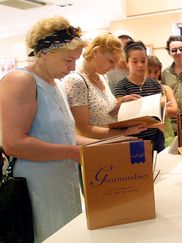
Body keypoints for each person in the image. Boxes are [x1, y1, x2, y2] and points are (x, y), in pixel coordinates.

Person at [0, 16, 96, 242]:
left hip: (63, 177)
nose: (72, 68)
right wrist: (73, 153)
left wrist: (107, 146)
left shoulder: (57, 84)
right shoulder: (20, 80)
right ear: (43, 53)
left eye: (75, 61)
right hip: (37, 184)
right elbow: (13, 143)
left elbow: (64, 136)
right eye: (67, 60)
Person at [63, 33, 145, 139]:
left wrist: (123, 101)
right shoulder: (76, 81)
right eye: (111, 61)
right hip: (95, 147)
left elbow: (105, 111)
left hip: (110, 142)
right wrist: (124, 132)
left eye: (115, 63)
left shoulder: (102, 77)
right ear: (95, 52)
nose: (113, 67)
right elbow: (84, 130)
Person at [113, 41, 165, 152]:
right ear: (127, 63)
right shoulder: (121, 86)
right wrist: (154, 124)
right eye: (135, 61)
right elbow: (123, 118)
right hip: (133, 139)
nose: (140, 65)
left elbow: (160, 113)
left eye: (143, 61)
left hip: (157, 138)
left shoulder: (155, 84)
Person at [147, 55, 179, 146]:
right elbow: (140, 116)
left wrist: (150, 111)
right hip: (146, 135)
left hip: (167, 135)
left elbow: (174, 110)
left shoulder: (166, 89)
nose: (152, 75)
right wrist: (164, 107)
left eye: (156, 71)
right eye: (149, 71)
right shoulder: (139, 90)